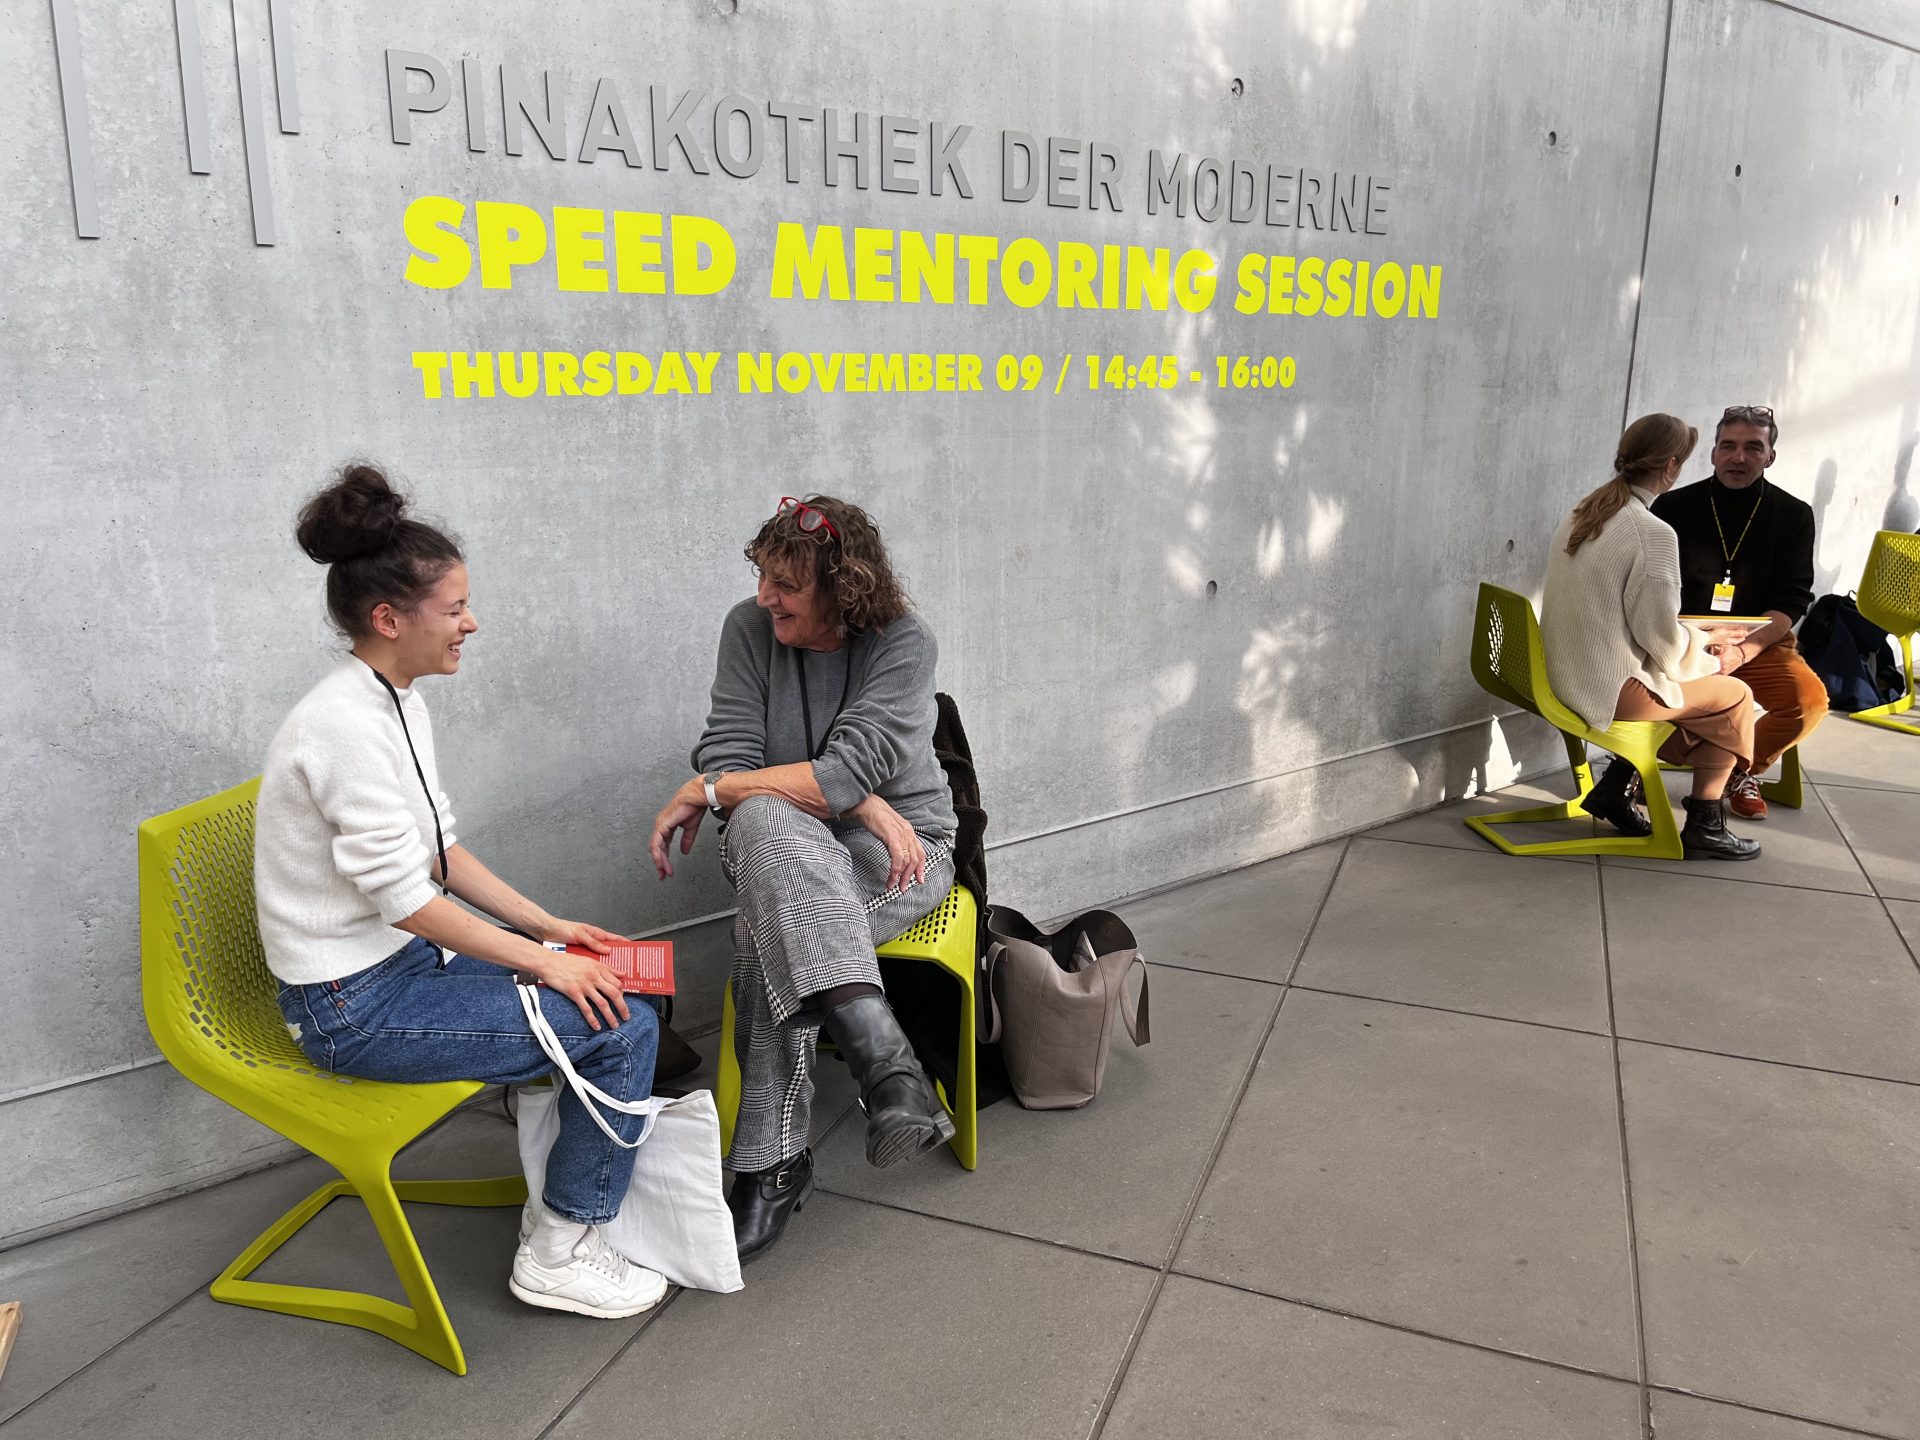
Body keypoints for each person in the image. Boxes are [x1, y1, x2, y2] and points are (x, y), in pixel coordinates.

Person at [255, 464, 666, 1319]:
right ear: (388, 618)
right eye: (455, 609)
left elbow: (438, 852)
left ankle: (568, 1201)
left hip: (400, 967)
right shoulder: (341, 726)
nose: (471, 623)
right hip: (350, 1007)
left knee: (616, 979)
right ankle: (560, 1246)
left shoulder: (394, 699)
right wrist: (544, 965)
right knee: (623, 1026)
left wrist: (552, 929)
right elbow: (406, 898)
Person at [651, 494, 959, 1264]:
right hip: (782, 839)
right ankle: (884, 1062)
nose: (765, 598)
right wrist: (835, 792)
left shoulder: (903, 642)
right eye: (762, 577)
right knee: (765, 828)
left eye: (785, 584)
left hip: (902, 852)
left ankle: (770, 1168)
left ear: (842, 588)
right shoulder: (749, 632)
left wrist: (847, 797)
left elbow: (760, 780)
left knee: (771, 922)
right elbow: (731, 760)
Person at [1541, 414, 1761, 860]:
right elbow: (1661, 639)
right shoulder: (1651, 533)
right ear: (1672, 467)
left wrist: (1693, 644)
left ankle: (1617, 788)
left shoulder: (1585, 510)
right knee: (1734, 696)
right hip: (1605, 689)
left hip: (1560, 672)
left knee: (1707, 699)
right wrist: (1710, 651)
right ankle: (1704, 824)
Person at [1651, 405, 1828, 819]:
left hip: (1759, 640)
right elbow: (1651, 589)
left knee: (1809, 702)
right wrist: (1695, 644)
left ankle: (1740, 770)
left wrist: (1743, 650)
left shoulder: (1793, 515)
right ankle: (1633, 767)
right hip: (1682, 638)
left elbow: (1791, 600)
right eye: (1728, 446)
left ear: (1770, 457)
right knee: (1657, 693)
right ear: (1712, 453)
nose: (1738, 457)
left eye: (1753, 447)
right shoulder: (1672, 507)